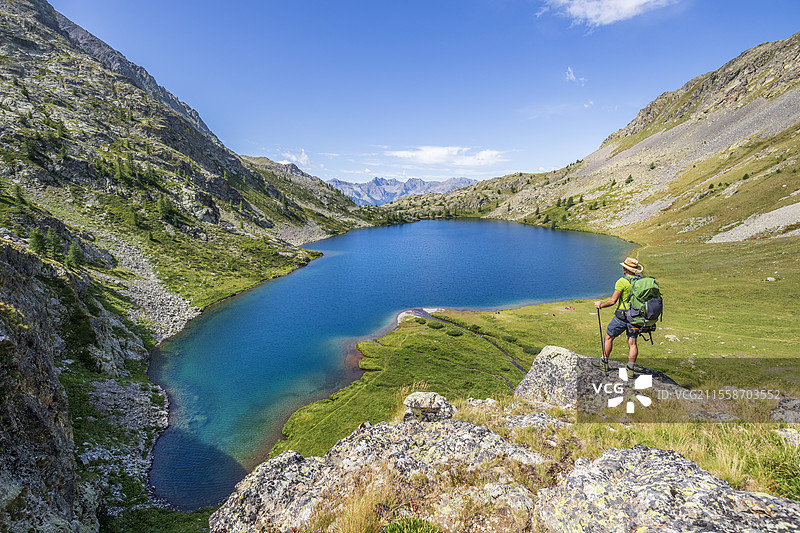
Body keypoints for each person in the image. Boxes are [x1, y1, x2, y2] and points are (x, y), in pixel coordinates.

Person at [594, 257, 643, 378]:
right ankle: (630, 369)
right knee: (632, 343)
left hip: (622, 316)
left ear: (625, 269)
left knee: (609, 337)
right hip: (636, 317)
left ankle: (604, 362)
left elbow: (613, 301)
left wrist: (600, 305)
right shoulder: (641, 281)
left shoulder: (621, 282)